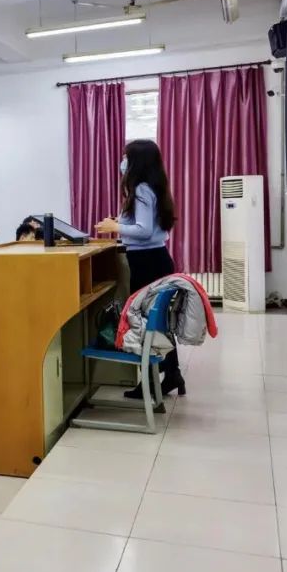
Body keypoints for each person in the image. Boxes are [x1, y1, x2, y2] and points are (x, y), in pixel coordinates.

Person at [96, 138, 184, 399]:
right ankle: (171, 374)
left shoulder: (142, 189)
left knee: (146, 323)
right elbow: (147, 226)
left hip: (147, 262)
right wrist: (120, 222)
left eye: (126, 157)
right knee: (157, 322)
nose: (122, 162)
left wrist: (116, 227)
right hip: (155, 259)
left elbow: (144, 231)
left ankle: (153, 380)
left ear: (137, 161)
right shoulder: (153, 186)